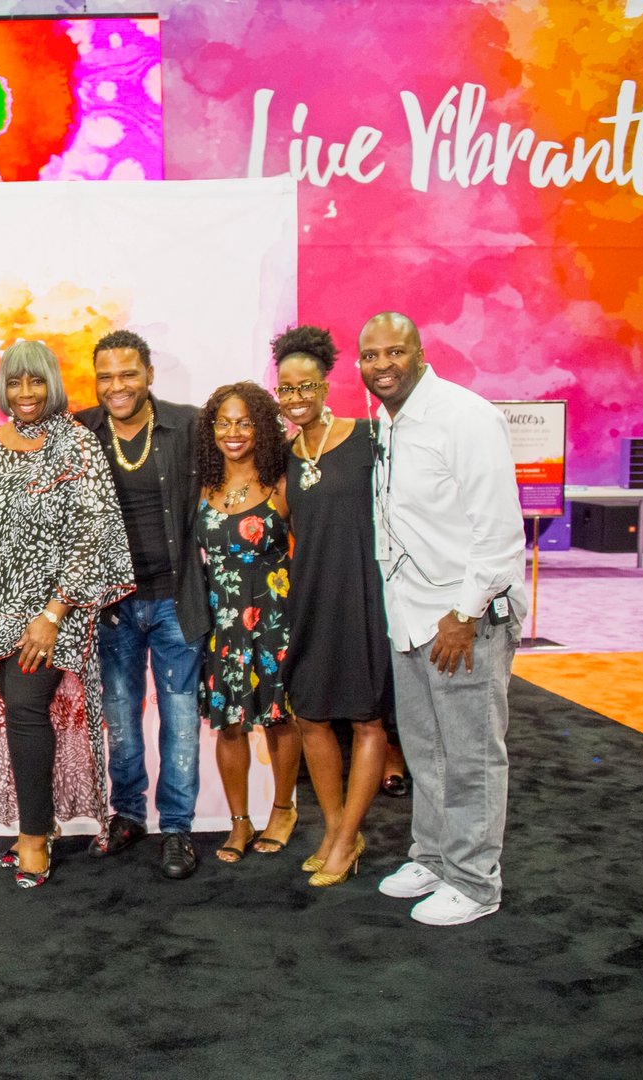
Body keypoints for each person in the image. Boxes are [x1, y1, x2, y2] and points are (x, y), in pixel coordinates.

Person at [360, 311, 525, 927]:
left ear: (421, 353)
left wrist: (465, 612)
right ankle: (434, 856)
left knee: (472, 754)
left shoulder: (466, 417)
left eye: (394, 352)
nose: (382, 365)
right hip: (410, 613)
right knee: (427, 751)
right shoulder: (389, 420)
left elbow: (500, 532)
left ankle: (477, 881)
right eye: (371, 355)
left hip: (463, 618)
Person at [0, 340, 133, 888]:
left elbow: (93, 531)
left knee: (28, 706)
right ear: (3, 388)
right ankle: (40, 825)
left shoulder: (76, 443)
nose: (25, 394)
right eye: (14, 382)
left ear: (51, 384)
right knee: (19, 710)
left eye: (35, 382)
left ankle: (34, 837)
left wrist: (53, 613)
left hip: (57, 610)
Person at [74, 329, 209, 880]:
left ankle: (177, 829)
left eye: (128, 374)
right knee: (121, 720)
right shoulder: (81, 432)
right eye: (105, 376)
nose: (116, 386)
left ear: (149, 374)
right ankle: (126, 816)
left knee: (179, 718)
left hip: (178, 598)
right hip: (112, 605)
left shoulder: (190, 425)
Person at [274, 325, 391, 887]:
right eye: (286, 390)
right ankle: (336, 827)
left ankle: (345, 840)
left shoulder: (369, 438)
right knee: (312, 715)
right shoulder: (284, 456)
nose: (296, 398)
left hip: (365, 594)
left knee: (367, 718)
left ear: (325, 382)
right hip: (310, 595)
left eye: (305, 386)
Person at [195, 382, 301, 864]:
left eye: (244, 422)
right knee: (230, 725)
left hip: (276, 620)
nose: (233, 432)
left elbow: (313, 551)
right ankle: (239, 822)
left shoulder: (281, 483)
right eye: (223, 422)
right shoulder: (205, 485)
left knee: (279, 720)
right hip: (222, 623)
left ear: (261, 426)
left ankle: (283, 810)